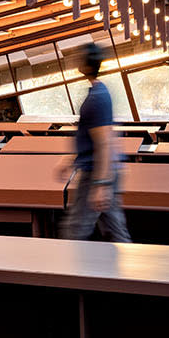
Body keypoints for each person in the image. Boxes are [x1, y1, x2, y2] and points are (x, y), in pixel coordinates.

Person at [57, 43, 131, 242]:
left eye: (79, 57)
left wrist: (101, 184)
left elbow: (105, 143)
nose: (75, 60)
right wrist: (72, 160)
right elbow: (95, 139)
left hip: (95, 173)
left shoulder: (97, 99)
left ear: (87, 65)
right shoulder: (99, 92)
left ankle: (71, 271)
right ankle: (126, 268)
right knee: (115, 230)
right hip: (101, 170)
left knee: (75, 231)